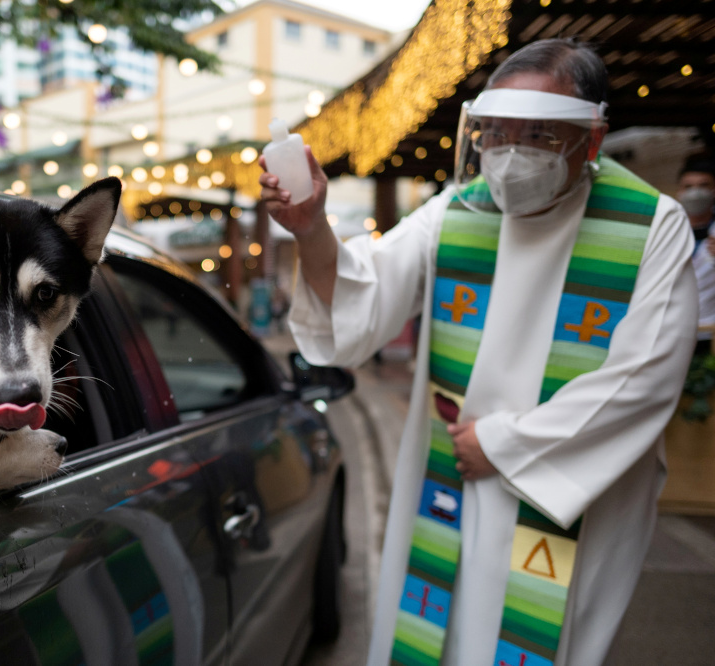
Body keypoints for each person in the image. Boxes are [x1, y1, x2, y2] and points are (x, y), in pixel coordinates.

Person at [260, 39, 698, 666]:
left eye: (539, 135)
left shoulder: (650, 224)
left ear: (592, 141)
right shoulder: (457, 211)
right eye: (497, 132)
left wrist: (501, 443)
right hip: (448, 479)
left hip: (566, 486)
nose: (511, 155)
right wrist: (312, 230)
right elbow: (362, 304)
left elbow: (646, 376)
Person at [676, 157, 715, 354]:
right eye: (688, 187)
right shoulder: (668, 229)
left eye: (703, 185)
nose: (695, 193)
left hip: (711, 332)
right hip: (673, 331)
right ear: (679, 192)